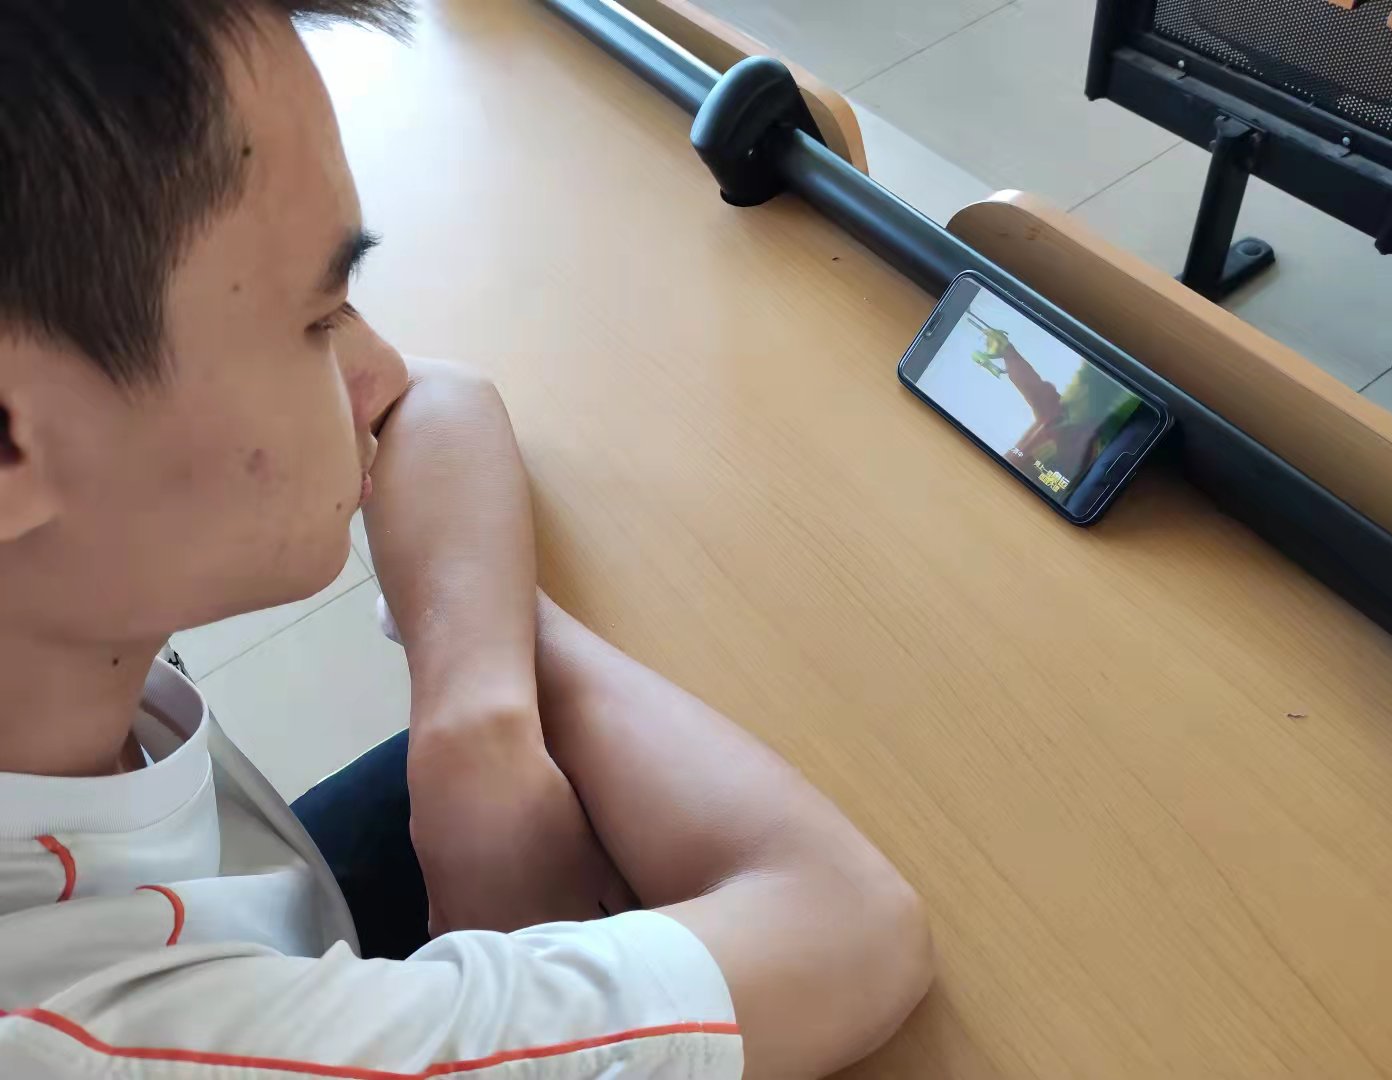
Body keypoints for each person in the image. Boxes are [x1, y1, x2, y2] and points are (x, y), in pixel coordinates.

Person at [0, 2, 932, 1077]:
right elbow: (851, 930)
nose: (379, 365)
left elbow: (432, 405)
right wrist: (509, 644)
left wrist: (475, 725)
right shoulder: (124, 1039)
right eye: (318, 322)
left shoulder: (55, 599)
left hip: (259, 905)